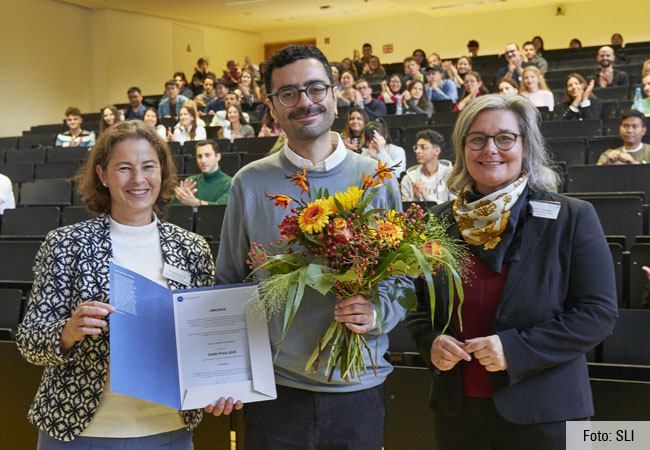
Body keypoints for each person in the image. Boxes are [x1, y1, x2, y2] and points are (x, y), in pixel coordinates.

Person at [215, 44, 405, 450]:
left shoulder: (376, 177)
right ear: (272, 107)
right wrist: (227, 371)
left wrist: (376, 313)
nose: (305, 102)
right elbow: (230, 282)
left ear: (335, 94)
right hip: (275, 392)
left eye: (316, 88)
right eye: (288, 93)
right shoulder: (249, 183)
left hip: (359, 387)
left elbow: (402, 276)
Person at [406, 93, 618, 450]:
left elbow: (597, 315)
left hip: (546, 413)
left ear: (526, 145)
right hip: (457, 411)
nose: (491, 149)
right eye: (477, 139)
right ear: (462, 149)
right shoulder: (437, 221)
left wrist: (513, 349)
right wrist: (430, 343)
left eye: (504, 138)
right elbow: (419, 309)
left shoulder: (572, 217)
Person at [16, 120, 240, 448]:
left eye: (148, 166)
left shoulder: (192, 247)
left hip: (169, 431)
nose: (138, 179)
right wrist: (67, 332)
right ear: (103, 175)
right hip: (78, 433)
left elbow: (205, 339)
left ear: (162, 173)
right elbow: (29, 340)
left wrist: (221, 384)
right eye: (124, 168)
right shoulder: (66, 244)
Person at [172, 140, 231, 206]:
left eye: (207, 155)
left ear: (218, 157)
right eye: (199, 156)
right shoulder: (190, 182)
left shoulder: (229, 183)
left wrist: (196, 203)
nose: (203, 160)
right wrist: (179, 197)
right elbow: (173, 208)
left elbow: (222, 208)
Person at [400, 129, 453, 203]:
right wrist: (415, 197)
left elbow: (454, 207)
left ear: (437, 151)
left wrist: (427, 197)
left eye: (423, 147)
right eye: (416, 147)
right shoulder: (408, 179)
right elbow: (405, 212)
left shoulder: (451, 177)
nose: (418, 151)